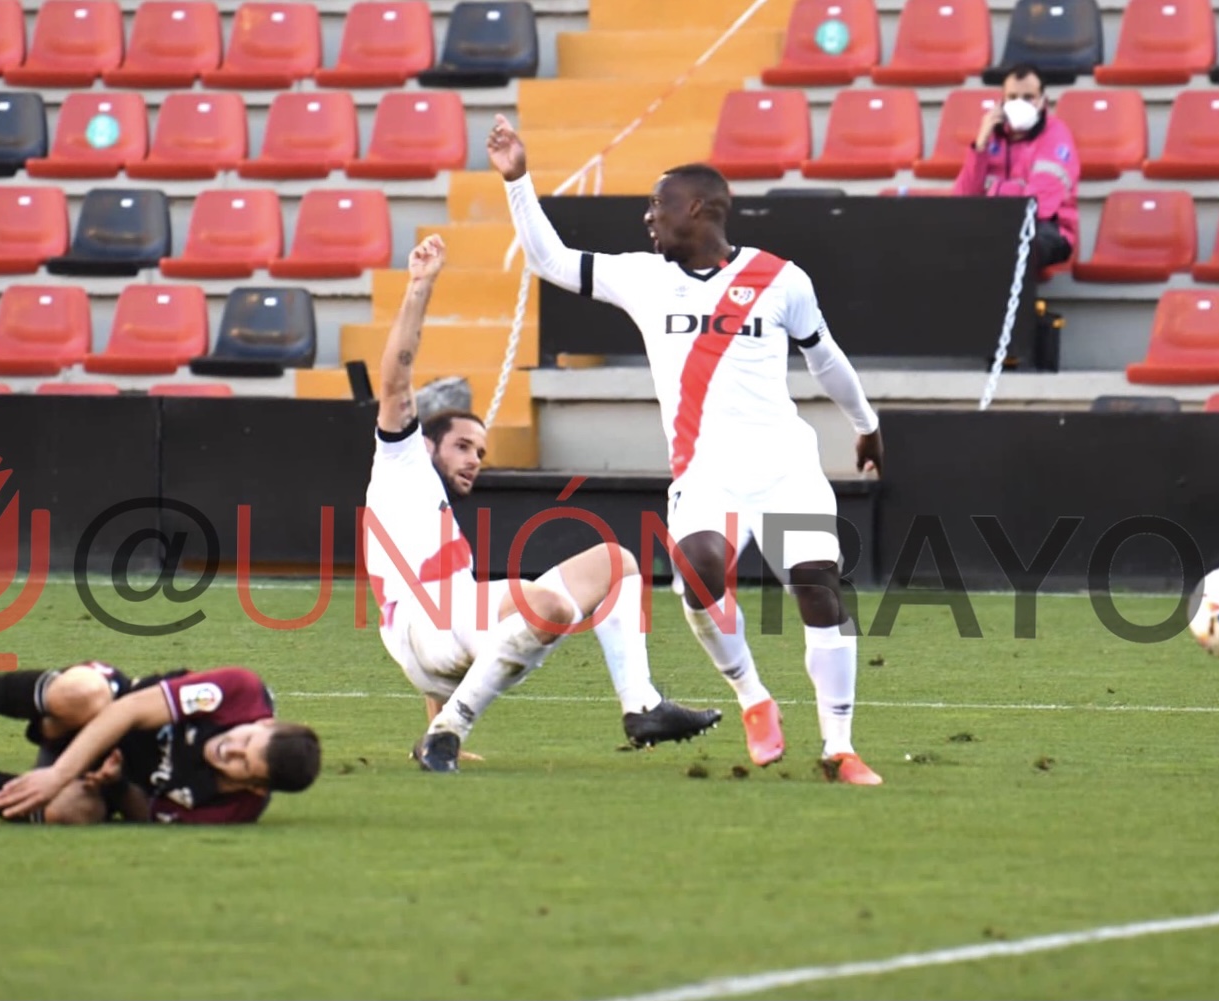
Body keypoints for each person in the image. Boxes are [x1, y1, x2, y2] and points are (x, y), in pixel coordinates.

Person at [488, 115, 886, 785]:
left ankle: (839, 746)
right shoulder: (642, 278)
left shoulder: (780, 279)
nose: (648, 217)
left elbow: (827, 360)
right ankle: (753, 696)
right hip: (704, 474)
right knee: (699, 570)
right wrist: (518, 180)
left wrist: (866, 422)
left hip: (786, 468)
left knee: (818, 588)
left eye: (658, 204)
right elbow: (548, 260)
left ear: (699, 208)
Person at [364, 234, 722, 773]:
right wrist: (420, 286)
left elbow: (447, 617)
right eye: (463, 446)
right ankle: (449, 732)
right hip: (423, 629)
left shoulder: (431, 512)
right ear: (427, 442)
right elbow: (395, 380)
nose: (474, 460)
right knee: (545, 606)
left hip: (442, 637)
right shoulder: (401, 462)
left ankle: (641, 705)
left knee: (617, 563)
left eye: (481, 451)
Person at [0, 662, 321, 824]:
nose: (229, 751)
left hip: (106, 773)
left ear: (255, 788)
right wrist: (59, 770)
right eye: (244, 740)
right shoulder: (240, 692)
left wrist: (114, 787)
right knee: (83, 694)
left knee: (67, 812)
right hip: (104, 705)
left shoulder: (233, 811)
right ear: (262, 722)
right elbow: (128, 711)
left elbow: (146, 814)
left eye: (241, 765)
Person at [952, 63, 1080, 270]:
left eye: (1028, 97)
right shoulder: (991, 135)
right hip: (994, 224)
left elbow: (1039, 205)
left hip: (1048, 229)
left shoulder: (1056, 134)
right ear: (1001, 101)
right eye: (1012, 97)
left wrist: (992, 198)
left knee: (1011, 247)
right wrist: (980, 144)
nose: (1019, 103)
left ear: (1042, 102)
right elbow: (963, 198)